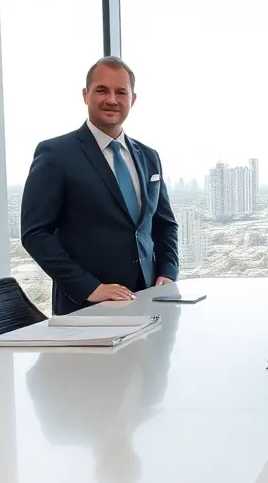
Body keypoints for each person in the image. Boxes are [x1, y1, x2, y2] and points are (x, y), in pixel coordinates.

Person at [21, 56, 180, 316]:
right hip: (88, 307)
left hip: (151, 302)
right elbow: (35, 233)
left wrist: (167, 272)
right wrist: (89, 287)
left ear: (133, 99)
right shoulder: (55, 154)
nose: (112, 100)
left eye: (121, 92)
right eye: (102, 90)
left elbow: (164, 224)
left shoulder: (149, 156)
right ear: (86, 95)